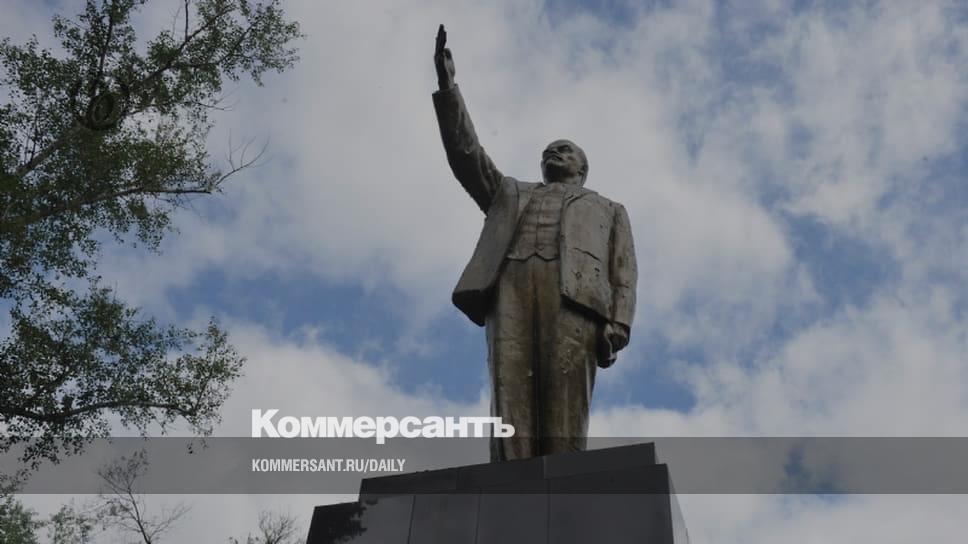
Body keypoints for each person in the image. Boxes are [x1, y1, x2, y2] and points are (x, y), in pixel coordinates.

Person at [432, 25, 637, 461]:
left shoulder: (609, 209)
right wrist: (449, 90)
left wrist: (618, 324)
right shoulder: (510, 192)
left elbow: (624, 273)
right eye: (547, 151)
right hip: (510, 286)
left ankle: (564, 473)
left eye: (563, 150)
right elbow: (467, 157)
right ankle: (509, 473)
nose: (552, 154)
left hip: (575, 298)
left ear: (582, 168)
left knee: (565, 393)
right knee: (509, 388)